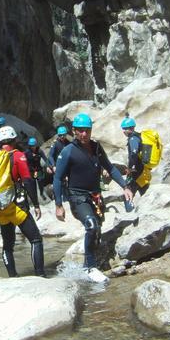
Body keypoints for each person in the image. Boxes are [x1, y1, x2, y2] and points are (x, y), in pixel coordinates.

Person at [53, 113, 134, 284]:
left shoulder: (96, 147)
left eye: (87, 131)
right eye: (80, 131)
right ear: (74, 131)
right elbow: (58, 178)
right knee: (90, 224)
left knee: (97, 230)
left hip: (95, 196)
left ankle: (90, 261)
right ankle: (90, 268)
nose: (84, 134)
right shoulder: (68, 152)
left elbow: (110, 168)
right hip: (77, 197)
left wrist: (125, 186)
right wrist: (59, 205)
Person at [0, 124, 47, 277]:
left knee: (8, 246)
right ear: (15, 139)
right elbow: (28, 181)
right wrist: (36, 204)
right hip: (16, 206)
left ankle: (12, 277)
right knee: (36, 239)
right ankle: (40, 276)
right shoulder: (18, 156)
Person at [121, 116, 150, 211]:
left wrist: (130, 169)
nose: (124, 131)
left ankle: (130, 214)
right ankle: (148, 210)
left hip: (135, 172)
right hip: (142, 171)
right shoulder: (139, 136)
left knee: (127, 193)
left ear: (131, 128)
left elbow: (134, 153)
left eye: (125, 129)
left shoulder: (133, 139)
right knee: (145, 193)